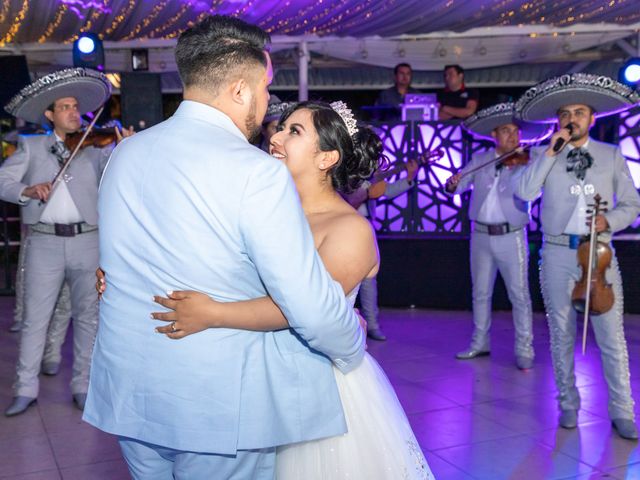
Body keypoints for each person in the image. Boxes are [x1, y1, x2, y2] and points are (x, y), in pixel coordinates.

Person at [84, 16, 366, 479]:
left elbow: (124, 260)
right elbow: (307, 302)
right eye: (264, 88)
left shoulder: (123, 155)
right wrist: (352, 349)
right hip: (216, 405)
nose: (265, 102)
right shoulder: (256, 172)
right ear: (240, 90)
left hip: (130, 391)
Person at [144, 100, 433, 478]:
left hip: (320, 386)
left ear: (327, 158)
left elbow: (304, 308)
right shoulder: (262, 210)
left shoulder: (350, 230)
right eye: (279, 128)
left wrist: (212, 313)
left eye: (293, 131)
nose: (275, 137)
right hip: (258, 375)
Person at [513, 73, 640, 439]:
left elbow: (632, 203)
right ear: (558, 120)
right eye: (566, 113)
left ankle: (623, 410)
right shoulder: (543, 153)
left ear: (592, 118)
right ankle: (568, 403)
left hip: (599, 254)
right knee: (561, 333)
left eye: (580, 112)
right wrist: (550, 152)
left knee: (612, 337)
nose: (573, 118)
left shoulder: (611, 155)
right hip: (555, 252)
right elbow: (524, 190)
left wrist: (610, 219)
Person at [0, 67, 131, 417]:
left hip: (88, 241)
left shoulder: (97, 148)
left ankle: (83, 386)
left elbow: (121, 177)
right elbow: (3, 181)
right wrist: (26, 190)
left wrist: (127, 149)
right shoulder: (30, 147)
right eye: (66, 107)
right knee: (35, 319)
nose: (75, 113)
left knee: (88, 318)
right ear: (50, 114)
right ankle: (25, 388)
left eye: (77, 107)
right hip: (44, 243)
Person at [445, 103, 550, 370]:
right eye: (506, 131)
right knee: (480, 292)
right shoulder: (481, 160)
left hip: (511, 235)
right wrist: (453, 184)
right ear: (495, 134)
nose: (513, 137)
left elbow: (547, 158)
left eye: (516, 132)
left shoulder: (529, 158)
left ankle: (524, 348)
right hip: (479, 235)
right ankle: (480, 342)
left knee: (519, 294)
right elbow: (458, 188)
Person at [344, 157, 419, 341]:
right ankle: (343, 326)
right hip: (344, 228)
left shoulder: (373, 172)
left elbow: (389, 190)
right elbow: (346, 200)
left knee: (369, 279)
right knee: (344, 278)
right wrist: (366, 192)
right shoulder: (343, 170)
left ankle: (372, 325)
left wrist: (410, 177)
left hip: (367, 228)